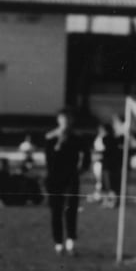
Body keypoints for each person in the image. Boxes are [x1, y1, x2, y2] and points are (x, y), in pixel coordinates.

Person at [44, 107, 90, 256]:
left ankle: (70, 241)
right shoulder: (50, 138)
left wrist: (82, 169)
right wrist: (57, 145)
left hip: (71, 178)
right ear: (59, 120)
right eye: (63, 119)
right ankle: (58, 242)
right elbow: (49, 161)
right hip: (54, 178)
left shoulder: (77, 138)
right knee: (56, 211)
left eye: (68, 119)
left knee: (71, 209)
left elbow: (86, 155)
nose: (65, 122)